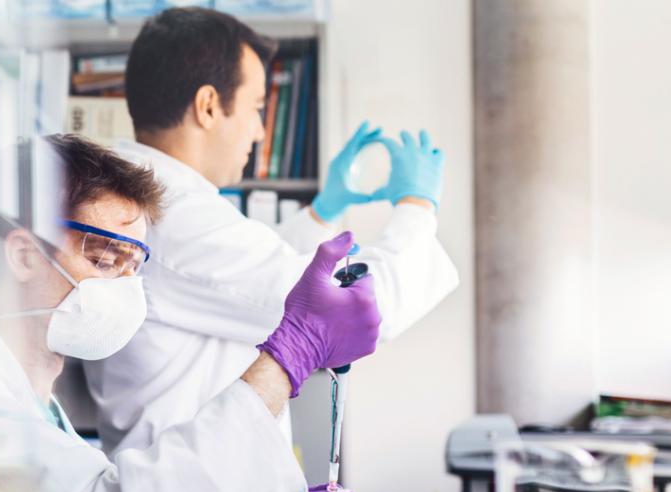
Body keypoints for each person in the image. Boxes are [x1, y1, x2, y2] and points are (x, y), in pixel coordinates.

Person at [0, 134, 378, 492]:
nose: (125, 289)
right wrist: (288, 357)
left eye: (134, 267)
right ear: (24, 256)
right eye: (106, 261)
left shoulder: (42, 413)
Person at [87, 7, 461, 458]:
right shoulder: (175, 214)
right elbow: (344, 307)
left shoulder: (154, 200)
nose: (260, 131)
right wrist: (417, 208)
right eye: (256, 108)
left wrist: (324, 211)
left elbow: (243, 275)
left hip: (186, 489)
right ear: (208, 106)